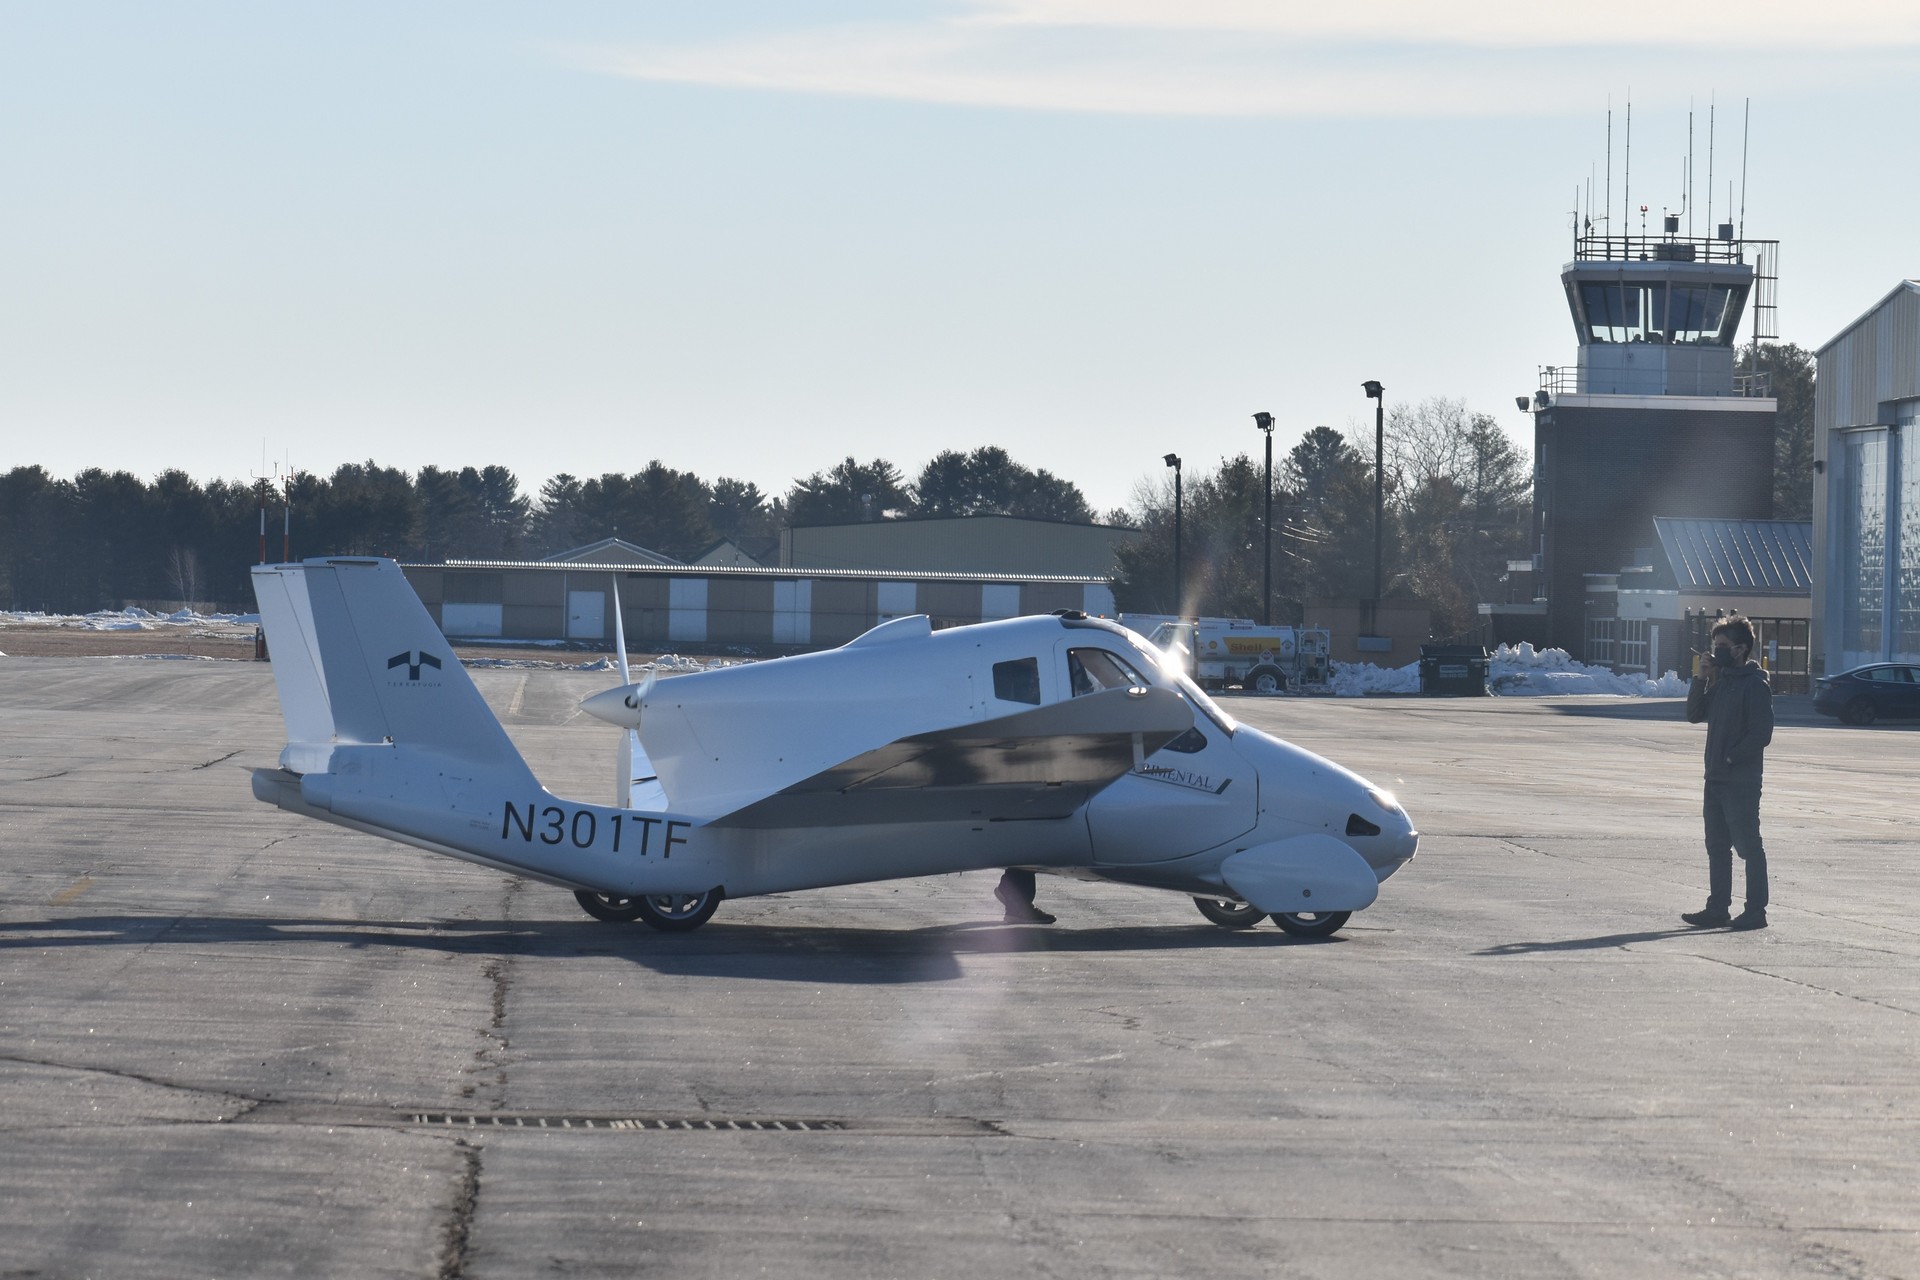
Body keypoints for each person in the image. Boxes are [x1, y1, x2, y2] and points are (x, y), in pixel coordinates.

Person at [1681, 616, 1774, 930]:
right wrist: (1702, 678)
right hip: (1715, 779)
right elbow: (1694, 714)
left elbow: (1761, 733)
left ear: (1740, 649)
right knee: (1717, 847)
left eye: (1722, 645)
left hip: (1740, 782)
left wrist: (1733, 757)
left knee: (1748, 847)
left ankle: (1756, 912)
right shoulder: (1721, 682)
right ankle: (1717, 909)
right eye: (1714, 645)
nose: (1715, 651)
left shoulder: (1755, 684)